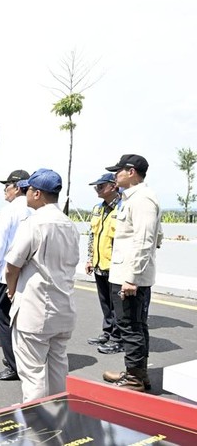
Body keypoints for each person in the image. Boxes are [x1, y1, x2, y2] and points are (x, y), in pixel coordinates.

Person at [4, 169, 80, 402]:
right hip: (64, 306)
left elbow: (12, 266)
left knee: (33, 371)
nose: (25, 194)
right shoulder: (69, 224)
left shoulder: (34, 223)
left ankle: (38, 427)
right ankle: (59, 414)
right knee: (58, 365)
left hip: (35, 309)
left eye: (27, 190)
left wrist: (11, 288)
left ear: (37, 194)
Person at [101, 154, 161, 392]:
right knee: (134, 325)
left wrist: (132, 278)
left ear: (131, 171)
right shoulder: (133, 198)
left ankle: (135, 379)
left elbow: (145, 240)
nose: (115, 175)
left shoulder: (143, 199)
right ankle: (138, 373)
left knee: (130, 326)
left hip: (130, 276)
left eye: (118, 171)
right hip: (126, 273)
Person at [0, 169, 31, 382]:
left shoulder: (10, 210)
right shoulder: (36, 208)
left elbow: (0, 243)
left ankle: (14, 365)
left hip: (8, 273)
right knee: (22, 318)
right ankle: (21, 358)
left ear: (17, 186)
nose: (5, 189)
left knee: (2, 316)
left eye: (8, 185)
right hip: (29, 274)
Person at [85, 172, 122, 354]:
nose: (97, 190)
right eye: (96, 187)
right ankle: (107, 332)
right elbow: (92, 236)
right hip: (100, 264)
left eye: (100, 186)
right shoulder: (98, 209)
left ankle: (117, 337)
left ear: (113, 186)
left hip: (116, 266)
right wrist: (90, 258)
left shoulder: (122, 208)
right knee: (105, 302)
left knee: (117, 304)